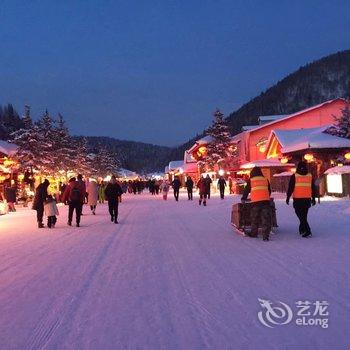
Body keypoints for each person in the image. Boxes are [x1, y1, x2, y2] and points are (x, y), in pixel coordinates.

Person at [286, 161, 316, 238]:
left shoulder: (294, 176)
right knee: (304, 215)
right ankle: (302, 229)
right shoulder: (310, 176)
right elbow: (313, 188)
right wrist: (313, 198)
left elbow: (291, 188)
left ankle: (308, 230)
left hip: (298, 199)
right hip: (307, 199)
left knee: (300, 214)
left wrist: (288, 197)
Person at [241, 166, 272, 241]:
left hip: (255, 202)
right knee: (265, 219)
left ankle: (254, 233)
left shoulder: (251, 180)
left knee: (254, 218)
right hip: (265, 202)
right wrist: (266, 196)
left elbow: (246, 190)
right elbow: (269, 191)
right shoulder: (265, 179)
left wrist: (243, 198)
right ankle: (265, 236)